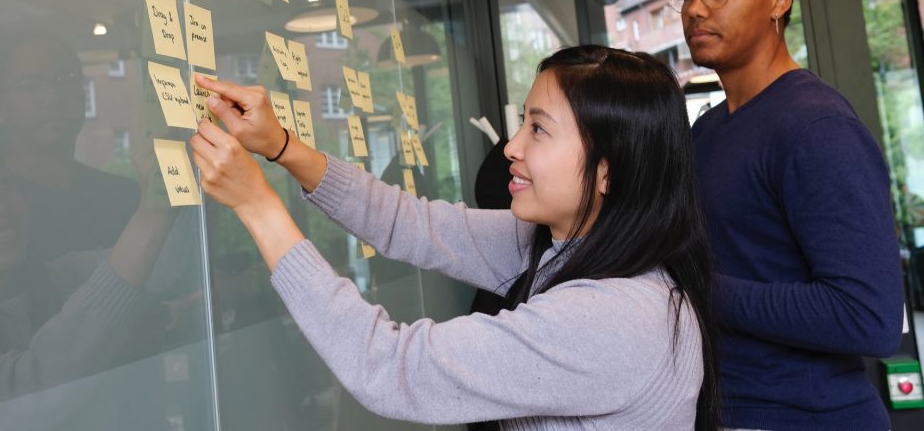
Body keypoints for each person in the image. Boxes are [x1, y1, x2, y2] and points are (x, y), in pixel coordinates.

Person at [190, 46, 720, 429]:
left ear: (607, 171)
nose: (511, 147)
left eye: (538, 129)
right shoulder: (562, 244)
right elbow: (408, 223)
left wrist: (258, 207)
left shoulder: (616, 318)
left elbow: (390, 367)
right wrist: (282, 146)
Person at [672, 0, 904, 429]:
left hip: (808, 417)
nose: (694, 9)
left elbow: (869, 317)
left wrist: (700, 289)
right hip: (724, 411)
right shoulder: (707, 132)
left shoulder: (816, 127)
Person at [0, 126, 177, 429]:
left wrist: (191, 174)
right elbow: (27, 394)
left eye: (3, 183)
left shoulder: (63, 277)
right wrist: (152, 213)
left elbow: (172, 262)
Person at [0, 36, 138, 262]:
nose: (53, 97)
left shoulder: (125, 196)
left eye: (66, 80)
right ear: (1, 107)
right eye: (30, 86)